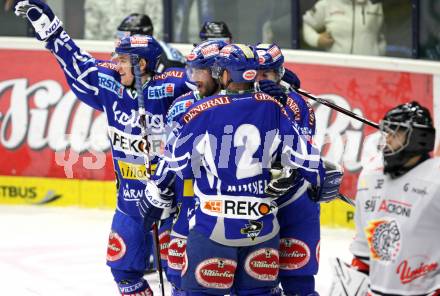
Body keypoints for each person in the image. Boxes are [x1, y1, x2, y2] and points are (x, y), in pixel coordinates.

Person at [14, 1, 192, 295]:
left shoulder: (174, 87)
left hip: (175, 203)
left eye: (122, 59)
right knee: (123, 270)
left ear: (142, 63)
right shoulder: (111, 85)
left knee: (181, 277)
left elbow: (213, 89)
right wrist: (50, 30)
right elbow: (77, 63)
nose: (115, 63)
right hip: (131, 200)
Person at [138, 43, 344, 295]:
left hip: (213, 228)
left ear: (225, 75)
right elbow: (306, 158)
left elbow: (176, 164)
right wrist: (321, 179)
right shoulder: (274, 107)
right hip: (262, 229)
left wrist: (155, 195)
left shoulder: (201, 110)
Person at [333, 102, 440, 295]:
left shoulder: (436, 179)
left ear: (418, 137)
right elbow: (364, 253)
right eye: (387, 132)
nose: (388, 139)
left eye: (396, 133)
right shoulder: (371, 175)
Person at [158, 39, 227, 295]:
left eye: (201, 70)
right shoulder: (182, 104)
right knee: (178, 275)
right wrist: (160, 188)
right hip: (189, 202)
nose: (194, 77)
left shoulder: (248, 104)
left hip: (230, 208)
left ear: (219, 71)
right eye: (192, 70)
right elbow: (169, 154)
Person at [255, 43, 322, 296]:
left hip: (295, 201)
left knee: (299, 283)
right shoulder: (239, 103)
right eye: (255, 73)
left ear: (279, 73)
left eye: (267, 74)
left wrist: (280, 104)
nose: (260, 80)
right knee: (256, 283)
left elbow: (298, 151)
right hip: (254, 201)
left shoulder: (296, 103)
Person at [302, 0, 386, 56]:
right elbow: (307, 23)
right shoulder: (328, 3)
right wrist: (317, 39)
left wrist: (380, 52)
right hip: (337, 68)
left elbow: (385, 32)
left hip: (370, 68)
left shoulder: (376, 4)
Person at [116, 13, 186, 73]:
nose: (119, 42)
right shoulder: (153, 48)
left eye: (125, 37)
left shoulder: (160, 58)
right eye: (119, 35)